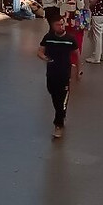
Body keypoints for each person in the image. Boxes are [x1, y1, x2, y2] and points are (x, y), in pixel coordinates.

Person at [38, 8, 78, 139]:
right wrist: (45, 58)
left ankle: (58, 124)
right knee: (54, 96)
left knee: (61, 99)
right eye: (58, 24)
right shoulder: (48, 38)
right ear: (52, 25)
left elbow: (76, 55)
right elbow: (40, 51)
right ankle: (61, 113)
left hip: (64, 74)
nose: (61, 26)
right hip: (51, 73)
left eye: (62, 24)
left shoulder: (70, 39)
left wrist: (77, 71)